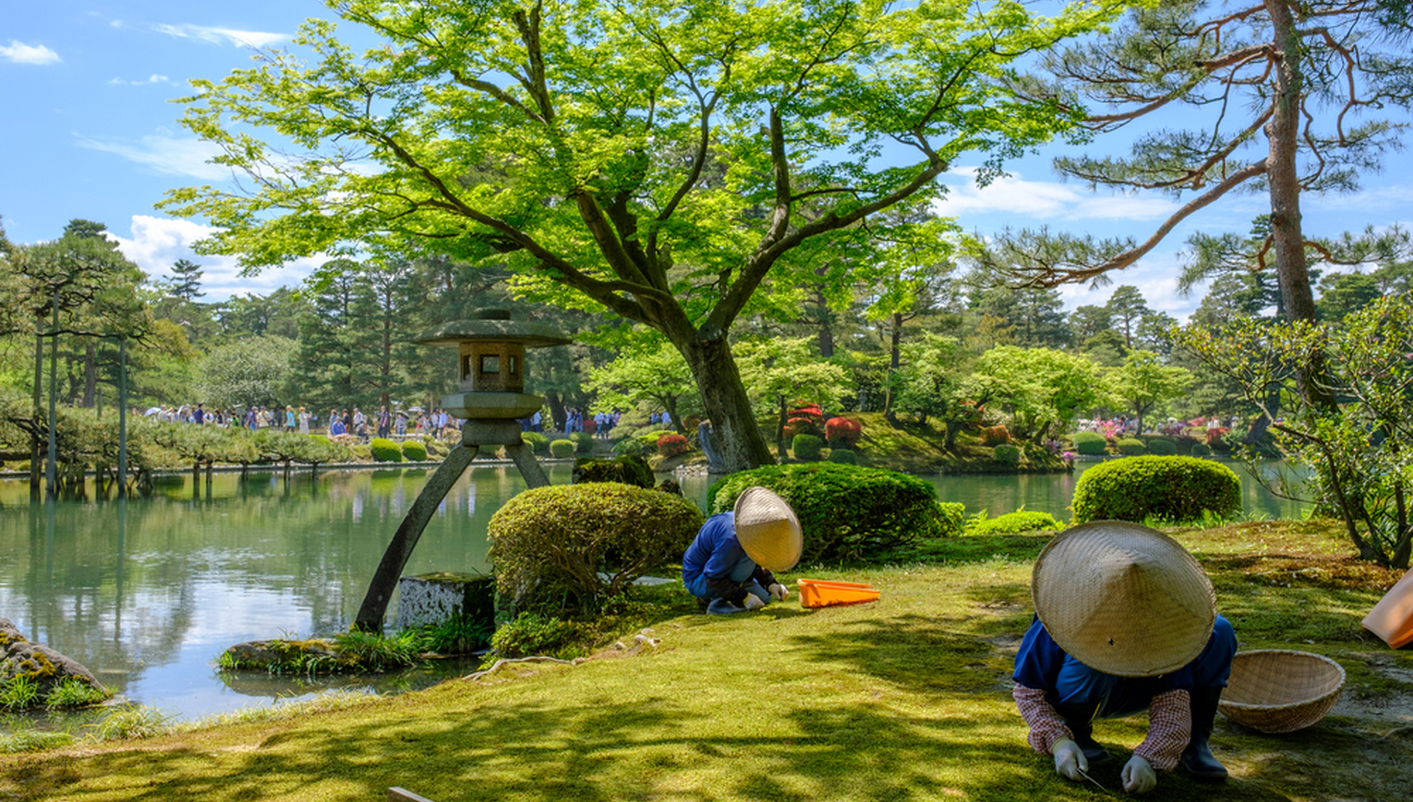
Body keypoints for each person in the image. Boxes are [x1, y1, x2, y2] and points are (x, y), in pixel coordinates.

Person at [1012, 521, 1236, 795]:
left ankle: (1195, 743)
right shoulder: (1061, 622)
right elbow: (1029, 693)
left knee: (1219, 629)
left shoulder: (1164, 629)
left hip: (1140, 689)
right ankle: (1077, 732)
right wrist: (1059, 742)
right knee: (1088, 662)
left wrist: (1149, 757)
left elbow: (1173, 700)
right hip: (1085, 693)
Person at [682, 486, 801, 615]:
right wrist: (745, 598)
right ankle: (718, 604)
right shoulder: (731, 539)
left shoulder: (749, 526)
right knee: (745, 557)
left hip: (717, 573)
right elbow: (712, 576)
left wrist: (771, 584)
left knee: (765, 598)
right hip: (698, 578)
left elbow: (757, 557)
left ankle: (722, 594)